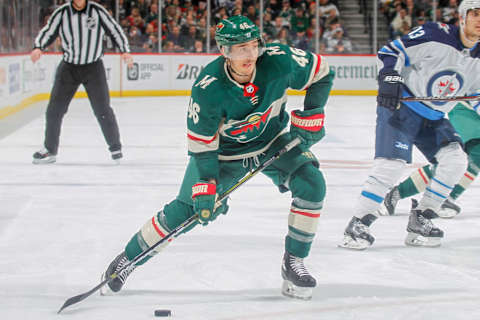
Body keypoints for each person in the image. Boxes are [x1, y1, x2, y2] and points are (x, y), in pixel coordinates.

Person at [100, 15, 334, 300]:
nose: (248, 55)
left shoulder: (280, 60)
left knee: (312, 184)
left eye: (252, 46)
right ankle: (127, 260)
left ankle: (293, 261)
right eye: (239, 49)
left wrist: (312, 113)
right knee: (187, 210)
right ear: (224, 52)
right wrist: (208, 183)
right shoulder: (207, 88)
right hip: (224, 156)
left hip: (273, 141)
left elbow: (323, 73)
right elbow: (202, 146)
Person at [339, 0, 480, 250]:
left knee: (456, 160)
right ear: (462, 16)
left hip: (434, 118)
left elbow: (475, 94)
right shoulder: (436, 34)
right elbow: (391, 51)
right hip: (402, 108)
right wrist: (390, 79)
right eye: (476, 14)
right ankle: (358, 223)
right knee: (391, 166)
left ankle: (422, 217)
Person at [31, 0, 133, 164]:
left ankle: (115, 148)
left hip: (93, 67)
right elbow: (48, 31)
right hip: (69, 67)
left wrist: (124, 51)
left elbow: (115, 31)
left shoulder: (98, 11)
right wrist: (38, 47)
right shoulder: (62, 13)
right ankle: (50, 149)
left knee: (103, 110)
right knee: (54, 110)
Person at [379, 101, 480, 218]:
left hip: (471, 109)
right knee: (474, 154)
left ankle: (398, 193)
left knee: (454, 163)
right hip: (467, 110)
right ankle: (445, 199)